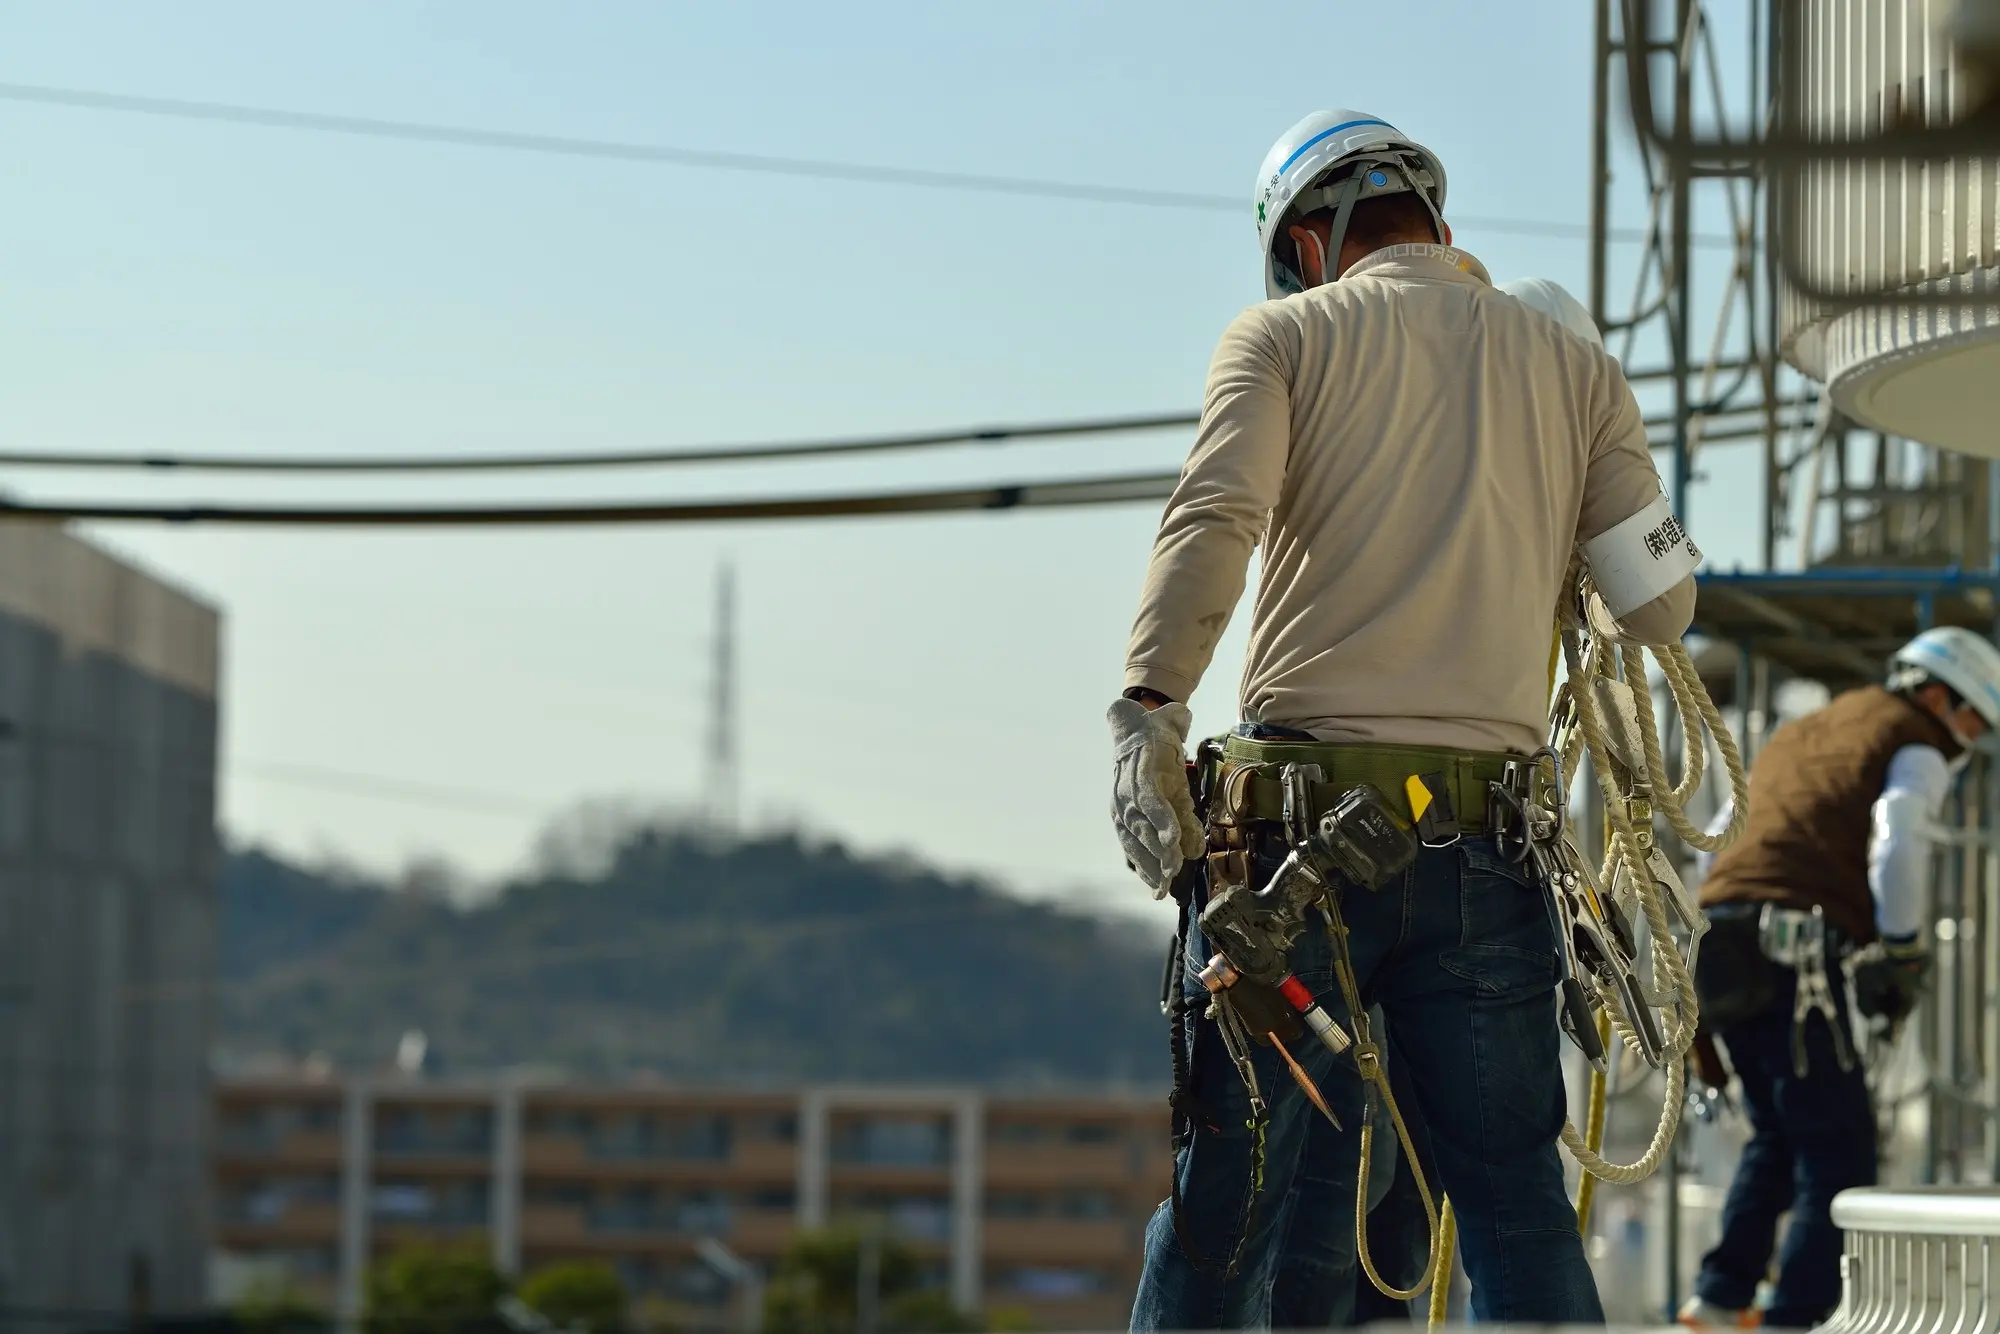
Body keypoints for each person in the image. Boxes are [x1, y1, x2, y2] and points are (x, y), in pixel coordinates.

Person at [1109, 106, 1699, 1327]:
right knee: (1510, 1202)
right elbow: (1660, 603)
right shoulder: (1573, 365)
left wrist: (1147, 711)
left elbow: (1212, 522)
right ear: (1437, 222)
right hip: (1482, 854)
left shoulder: (1279, 336)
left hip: (1295, 856)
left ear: (1308, 246)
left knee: (1234, 1199)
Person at [1682, 627, 2000, 1330]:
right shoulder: (1911, 737)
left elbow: (1725, 840)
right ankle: (1799, 1317)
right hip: (1793, 949)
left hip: (1724, 937)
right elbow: (1900, 835)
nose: (1972, 739)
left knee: (1777, 1131)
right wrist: (1901, 947)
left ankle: (1719, 1298)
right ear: (1936, 695)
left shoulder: (1804, 734)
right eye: (1975, 716)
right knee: (1841, 1147)